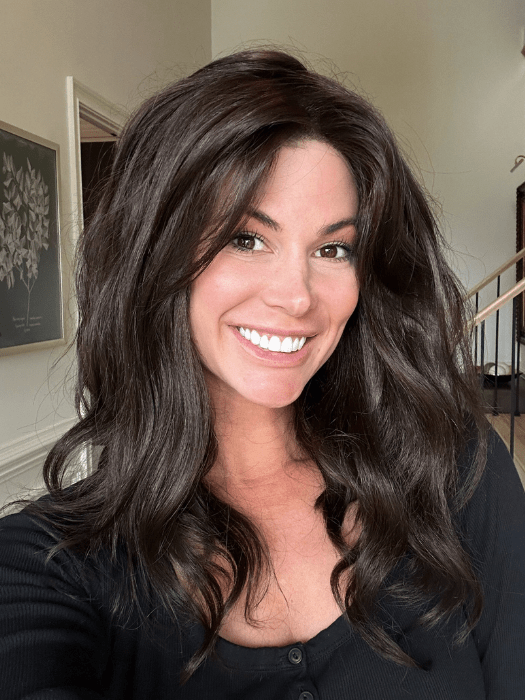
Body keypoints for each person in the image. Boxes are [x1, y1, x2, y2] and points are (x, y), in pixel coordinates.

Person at [0, 49, 524, 700]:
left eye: (332, 248)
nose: (296, 296)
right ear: (153, 250)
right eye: (245, 238)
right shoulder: (44, 565)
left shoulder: (454, 472)